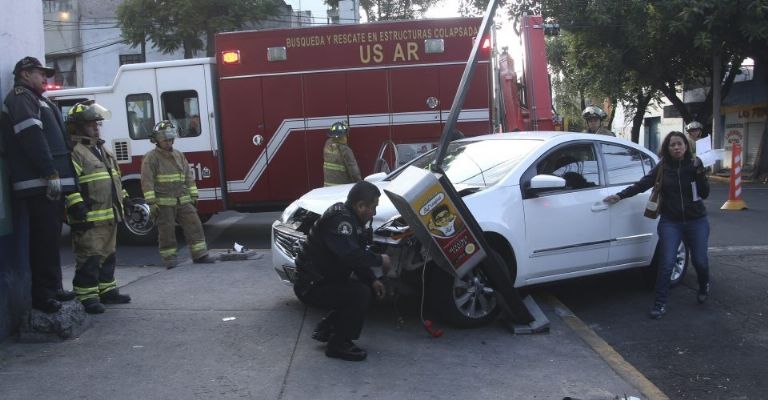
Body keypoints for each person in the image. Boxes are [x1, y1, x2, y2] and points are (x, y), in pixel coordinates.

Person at [604, 131, 710, 319]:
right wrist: (621, 195)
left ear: (686, 146)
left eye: (680, 144)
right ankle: (660, 303)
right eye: (672, 145)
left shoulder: (694, 166)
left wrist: (700, 172)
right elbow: (642, 184)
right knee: (666, 262)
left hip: (696, 221)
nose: (676, 147)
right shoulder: (662, 167)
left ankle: (704, 284)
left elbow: (704, 193)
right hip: (671, 221)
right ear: (667, 149)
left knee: (700, 261)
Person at [1, 56, 76, 313]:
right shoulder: (21, 97)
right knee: (42, 242)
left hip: (50, 184)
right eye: (40, 73)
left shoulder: (40, 99)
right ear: (24, 74)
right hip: (39, 184)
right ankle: (42, 296)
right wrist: (50, 172)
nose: (46, 78)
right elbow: (32, 137)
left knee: (50, 240)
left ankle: (53, 286)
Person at [293, 181, 391, 361]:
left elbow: (356, 256)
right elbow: (350, 256)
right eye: (373, 207)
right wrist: (379, 260)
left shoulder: (351, 218)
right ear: (360, 206)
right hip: (311, 286)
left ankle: (328, 329)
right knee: (358, 294)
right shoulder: (341, 222)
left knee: (366, 288)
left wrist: (372, 280)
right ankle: (338, 345)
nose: (374, 213)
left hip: (323, 280)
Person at [64, 100, 132, 314]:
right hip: (89, 218)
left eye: (97, 123)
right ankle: (87, 297)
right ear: (77, 125)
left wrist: (126, 199)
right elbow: (70, 182)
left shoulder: (102, 148)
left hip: (109, 215)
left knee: (108, 254)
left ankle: (107, 291)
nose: (96, 126)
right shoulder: (75, 151)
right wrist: (77, 207)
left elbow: (115, 179)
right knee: (90, 257)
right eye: (91, 123)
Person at [140, 120, 214, 268]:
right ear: (157, 140)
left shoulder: (179, 155)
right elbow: (147, 181)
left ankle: (200, 255)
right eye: (165, 140)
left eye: (170, 139)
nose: (168, 142)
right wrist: (152, 203)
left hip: (183, 199)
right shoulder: (151, 158)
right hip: (164, 203)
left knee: (195, 225)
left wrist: (193, 194)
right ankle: (170, 260)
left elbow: (188, 176)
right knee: (167, 232)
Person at [323, 121, 361, 186]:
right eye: (345, 135)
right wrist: (360, 184)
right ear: (343, 136)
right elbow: (354, 172)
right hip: (341, 189)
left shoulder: (327, 146)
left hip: (327, 187)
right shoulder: (345, 150)